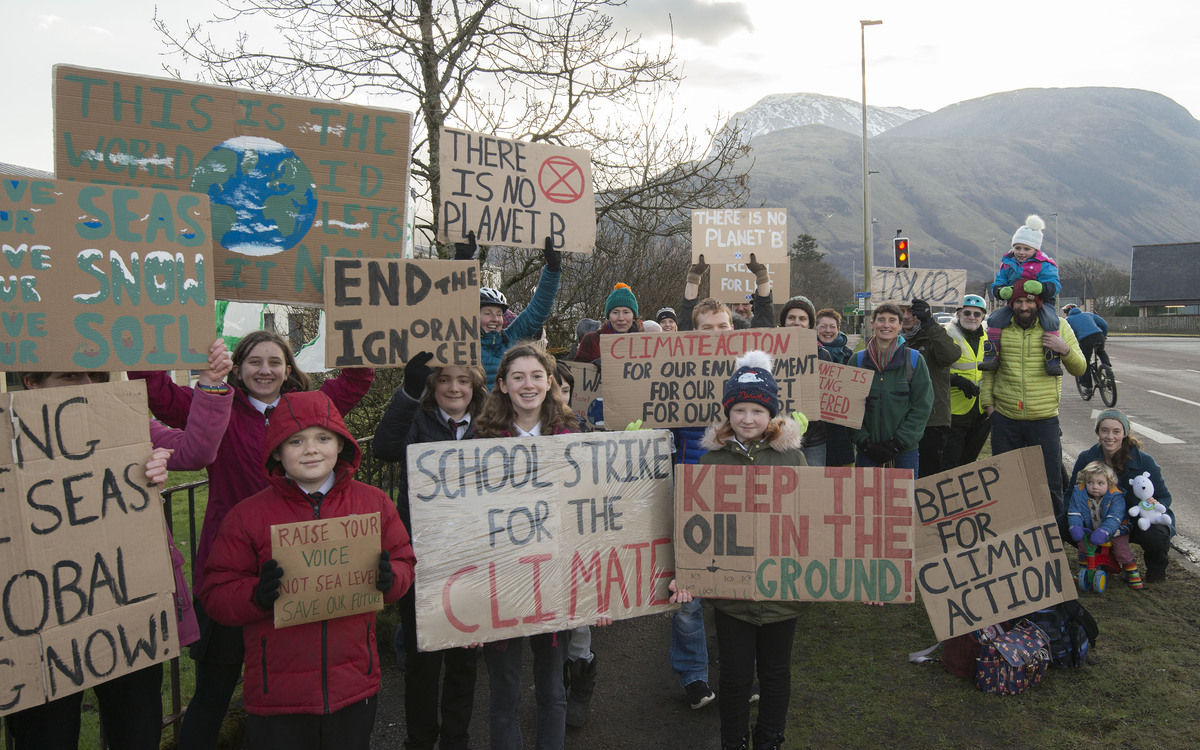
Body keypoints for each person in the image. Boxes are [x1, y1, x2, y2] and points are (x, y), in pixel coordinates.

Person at [130, 330, 374, 750]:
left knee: (289, 687)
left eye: (275, 362)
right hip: (234, 566)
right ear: (238, 369)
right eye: (255, 362)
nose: (265, 370)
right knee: (214, 689)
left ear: (288, 368)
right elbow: (159, 394)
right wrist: (149, 334)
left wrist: (352, 320)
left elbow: (355, 381)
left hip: (301, 569)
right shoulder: (211, 403)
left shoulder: (308, 408)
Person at [5, 342, 233, 750]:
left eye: (97, 375)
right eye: (72, 375)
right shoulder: (9, 443)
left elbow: (195, 450)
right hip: (43, 626)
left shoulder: (130, 425)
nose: (90, 386)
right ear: (33, 382)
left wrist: (211, 385)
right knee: (47, 737)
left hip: (127, 618)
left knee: (136, 731)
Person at [201, 390, 414, 750]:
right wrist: (255, 594)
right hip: (277, 696)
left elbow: (404, 561)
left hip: (353, 686)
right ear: (277, 452)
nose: (311, 449)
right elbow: (215, 592)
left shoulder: (373, 503)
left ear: (340, 445)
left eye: (323, 438)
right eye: (296, 441)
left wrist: (390, 580)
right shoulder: (247, 516)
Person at [670, 350, 806, 750]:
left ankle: (769, 739)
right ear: (728, 413)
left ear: (772, 415)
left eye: (757, 411)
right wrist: (687, 571)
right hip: (730, 594)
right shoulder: (711, 461)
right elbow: (694, 524)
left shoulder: (792, 458)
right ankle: (733, 741)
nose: (748, 419)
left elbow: (812, 521)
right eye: (740, 410)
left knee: (777, 672)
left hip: (782, 591)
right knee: (733, 675)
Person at [372, 352, 487, 750]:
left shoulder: (489, 428)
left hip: (471, 557)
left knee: (464, 660)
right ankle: (419, 740)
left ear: (475, 388)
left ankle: (457, 739)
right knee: (423, 662)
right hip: (422, 557)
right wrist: (407, 391)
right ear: (432, 386)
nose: (454, 388)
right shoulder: (416, 421)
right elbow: (384, 448)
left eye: (463, 381)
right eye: (444, 380)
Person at [474, 344, 582, 749]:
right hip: (501, 581)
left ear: (549, 381)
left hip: (555, 578)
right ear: (501, 385)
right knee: (504, 694)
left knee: (553, 689)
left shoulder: (571, 435)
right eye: (517, 377)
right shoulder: (479, 440)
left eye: (536, 375)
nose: (528, 384)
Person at [980, 280, 1086, 536]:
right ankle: (1012, 536)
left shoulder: (1059, 326)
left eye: (1029, 301)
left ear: (1037, 302)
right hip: (1005, 418)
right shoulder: (999, 328)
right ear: (1011, 303)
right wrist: (989, 406)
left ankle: (1053, 540)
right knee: (1006, 482)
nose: (1024, 306)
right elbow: (990, 371)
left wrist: (1065, 349)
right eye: (1019, 301)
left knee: (1049, 484)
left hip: (1044, 418)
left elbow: (1080, 368)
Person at [1070, 410, 1174, 583]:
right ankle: (1101, 558)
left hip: (1137, 520)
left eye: (1116, 431)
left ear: (1124, 433)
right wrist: (1072, 516)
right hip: (1100, 519)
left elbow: (1165, 496)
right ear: (1098, 433)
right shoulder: (1086, 458)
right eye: (1104, 430)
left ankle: (1156, 570)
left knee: (1157, 535)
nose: (1110, 436)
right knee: (1065, 523)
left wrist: (1155, 503)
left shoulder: (1145, 461)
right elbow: (1071, 492)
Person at [851, 303, 933, 473]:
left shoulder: (915, 360)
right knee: (867, 500)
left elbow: (922, 407)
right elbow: (848, 408)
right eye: (881, 320)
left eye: (892, 320)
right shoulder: (857, 361)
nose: (886, 325)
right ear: (872, 324)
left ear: (900, 325)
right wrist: (865, 442)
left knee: (903, 500)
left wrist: (897, 443)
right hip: (868, 452)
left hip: (904, 452)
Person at [982, 214, 1063, 374]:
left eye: (1026, 248)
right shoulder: (1007, 264)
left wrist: (1040, 288)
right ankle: (992, 355)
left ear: (1035, 249)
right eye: (1017, 247)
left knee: (1051, 321)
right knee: (994, 319)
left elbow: (1055, 286)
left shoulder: (1045, 264)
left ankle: (1052, 358)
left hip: (1042, 303)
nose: (1021, 252)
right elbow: (998, 283)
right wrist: (1001, 291)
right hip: (1015, 303)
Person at [477, 236, 562, 388]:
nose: (495, 319)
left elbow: (537, 310)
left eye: (498, 314)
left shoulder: (509, 339)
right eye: (488, 313)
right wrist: (461, 258)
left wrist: (553, 269)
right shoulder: (461, 345)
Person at [899, 298, 960, 477]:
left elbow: (950, 355)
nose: (906, 316)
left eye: (911, 311)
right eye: (901, 311)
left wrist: (930, 324)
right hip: (897, 419)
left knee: (928, 476)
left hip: (931, 421)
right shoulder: (888, 338)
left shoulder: (933, 335)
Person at [1066, 461, 1143, 589]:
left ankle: (1132, 571)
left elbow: (1114, 517)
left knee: (1121, 550)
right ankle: (1084, 568)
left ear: (1109, 483)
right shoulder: (1079, 493)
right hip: (1092, 528)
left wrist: (1106, 530)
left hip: (1116, 529)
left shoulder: (1115, 496)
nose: (1094, 487)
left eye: (1100, 483)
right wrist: (1075, 526)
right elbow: (1074, 512)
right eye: (1090, 483)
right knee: (1084, 546)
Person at [779, 295, 831, 466]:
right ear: (784, 322)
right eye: (791, 318)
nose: (796, 322)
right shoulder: (771, 353)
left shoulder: (823, 355)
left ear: (810, 325)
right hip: (779, 437)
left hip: (813, 441)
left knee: (814, 489)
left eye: (802, 319)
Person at [941, 294, 992, 469]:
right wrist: (956, 380)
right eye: (967, 313)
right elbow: (933, 369)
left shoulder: (989, 337)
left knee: (970, 461)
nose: (972, 317)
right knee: (951, 460)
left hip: (981, 409)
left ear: (983, 316)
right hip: (955, 408)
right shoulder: (946, 335)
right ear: (958, 314)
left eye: (977, 314)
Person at [678, 254, 775, 331]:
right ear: (694, 331)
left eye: (722, 326)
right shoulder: (689, 351)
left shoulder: (747, 351)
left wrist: (762, 275)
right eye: (707, 328)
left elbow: (765, 325)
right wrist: (694, 277)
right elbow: (687, 319)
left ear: (732, 328)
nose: (716, 332)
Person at [815, 308, 856, 466]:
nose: (828, 330)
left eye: (832, 326)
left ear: (838, 330)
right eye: (823, 326)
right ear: (816, 328)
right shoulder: (807, 352)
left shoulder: (848, 355)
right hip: (816, 429)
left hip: (841, 430)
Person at [573, 283, 644, 362]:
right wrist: (592, 366)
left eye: (626, 312)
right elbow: (578, 371)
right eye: (615, 312)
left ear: (634, 317)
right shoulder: (591, 340)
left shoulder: (646, 342)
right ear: (608, 316)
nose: (621, 318)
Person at [1063, 306, 1111, 391]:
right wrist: (1104, 335)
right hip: (1098, 335)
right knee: (1101, 352)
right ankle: (1109, 373)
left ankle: (1088, 387)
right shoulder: (1089, 314)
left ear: (1067, 312)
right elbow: (1104, 324)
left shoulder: (1068, 320)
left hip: (1085, 340)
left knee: (1085, 363)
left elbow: (1066, 334)